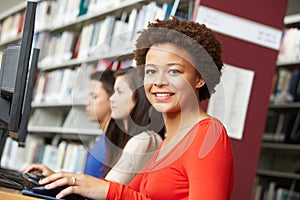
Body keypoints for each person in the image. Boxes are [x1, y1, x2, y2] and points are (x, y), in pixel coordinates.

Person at [38, 17, 234, 200]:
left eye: (174, 71)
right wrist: (63, 181)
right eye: (150, 71)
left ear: (199, 78)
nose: (158, 81)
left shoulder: (208, 134)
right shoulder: (169, 141)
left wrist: (111, 191)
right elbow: (130, 193)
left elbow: (120, 194)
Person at [23, 68, 163, 184]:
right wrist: (57, 177)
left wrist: (62, 178)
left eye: (119, 92)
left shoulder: (145, 140)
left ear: (138, 99)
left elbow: (106, 190)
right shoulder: (123, 138)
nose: (111, 99)